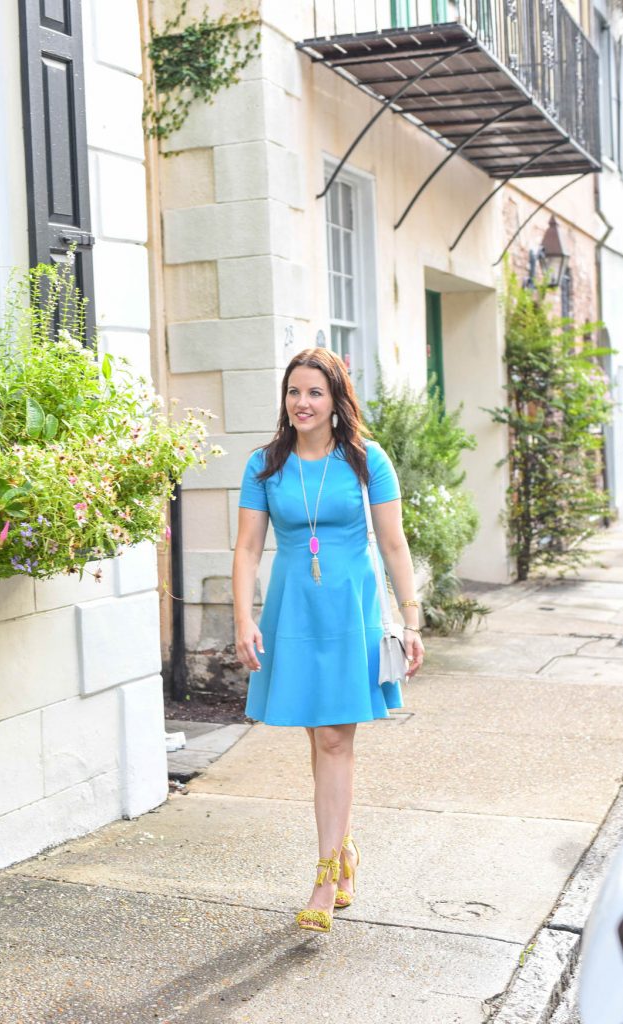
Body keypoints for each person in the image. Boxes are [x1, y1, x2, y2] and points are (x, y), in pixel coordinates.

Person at [232, 347, 425, 935]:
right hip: (293, 608)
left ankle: (324, 873)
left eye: (315, 392)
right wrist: (244, 618)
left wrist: (411, 618)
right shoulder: (264, 464)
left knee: (336, 738)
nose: (303, 403)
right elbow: (245, 549)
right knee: (320, 738)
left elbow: (393, 545)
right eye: (294, 392)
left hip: (350, 609)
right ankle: (344, 850)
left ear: (336, 399)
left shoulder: (368, 460)